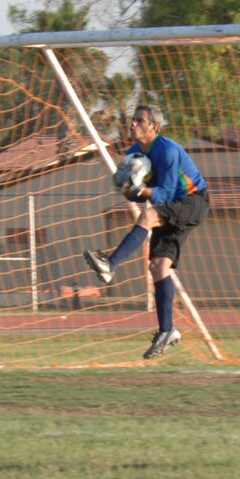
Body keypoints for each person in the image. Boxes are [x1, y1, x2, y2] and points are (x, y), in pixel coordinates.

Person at [84, 104, 209, 359]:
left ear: (154, 126)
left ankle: (110, 265)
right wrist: (128, 187)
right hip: (171, 206)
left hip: (194, 201)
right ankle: (167, 330)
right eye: (133, 120)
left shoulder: (168, 150)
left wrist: (139, 191)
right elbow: (136, 192)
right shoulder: (133, 153)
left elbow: (164, 193)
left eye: (140, 121)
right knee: (158, 266)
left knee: (148, 216)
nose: (133, 124)